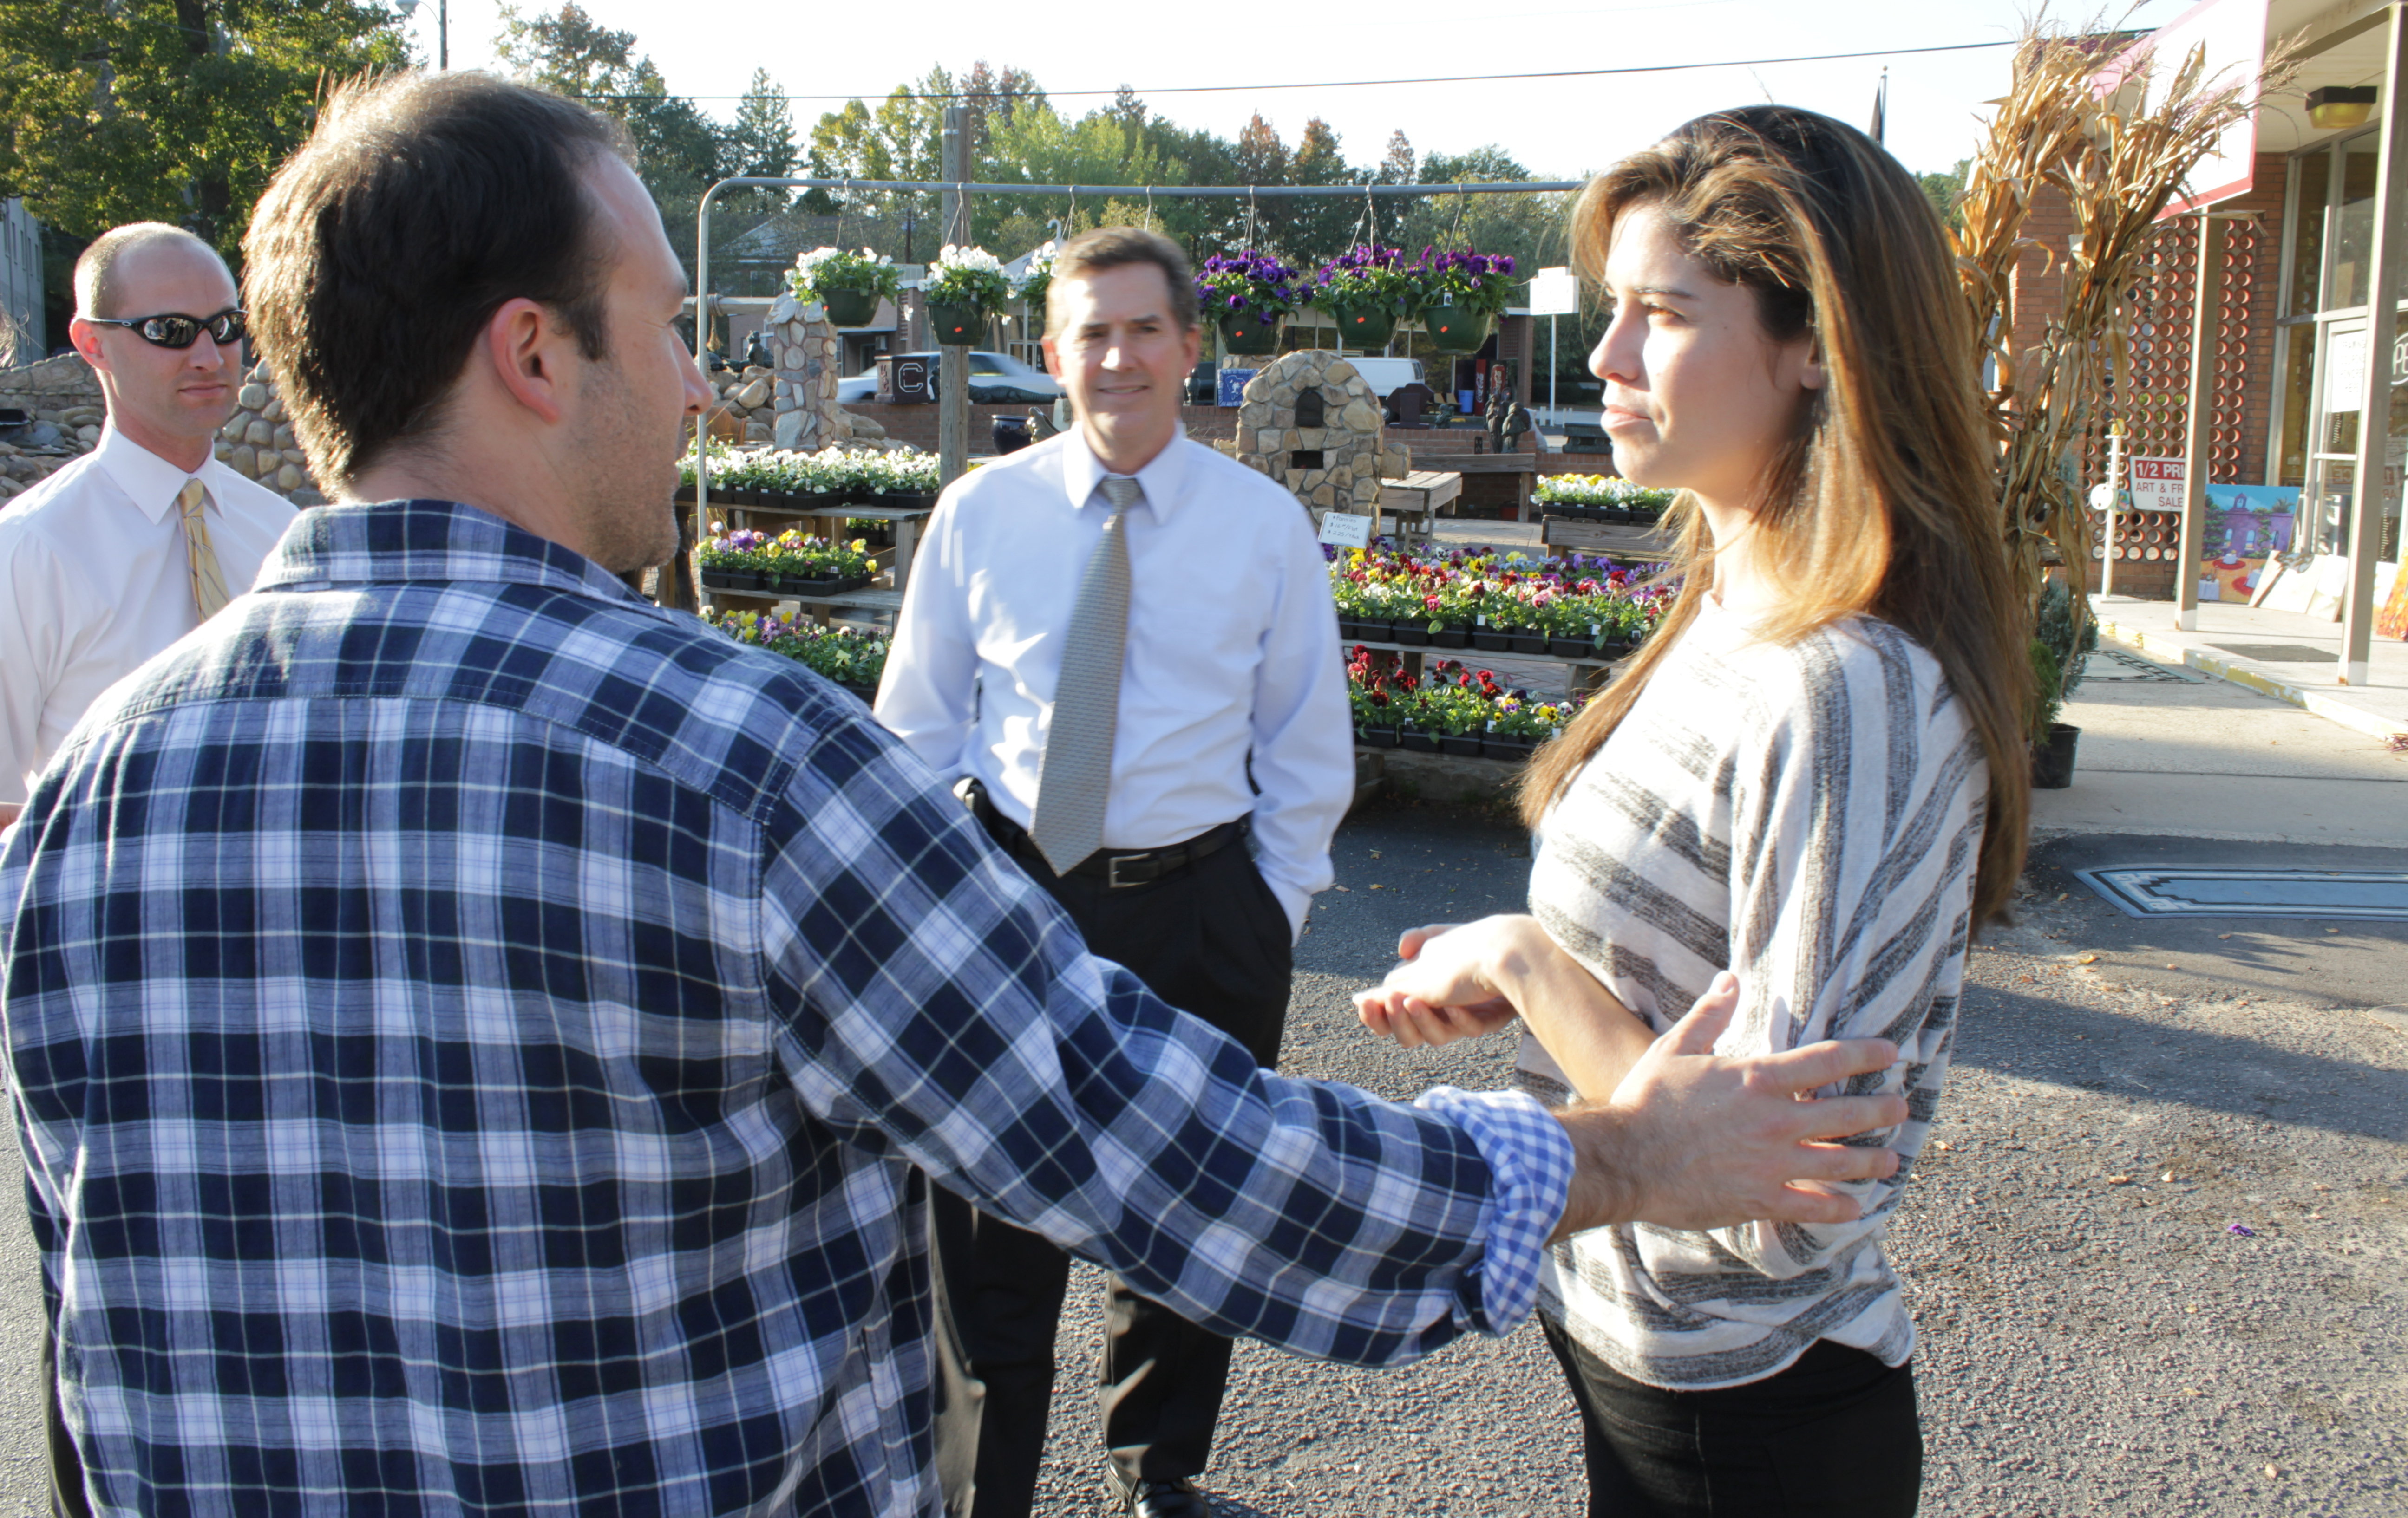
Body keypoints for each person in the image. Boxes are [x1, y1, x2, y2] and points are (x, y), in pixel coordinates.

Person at [1, 75, 1915, 1517]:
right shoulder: (733, 767)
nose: (697, 389)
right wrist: (1618, 1159)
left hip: (1188, 897)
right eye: (668, 325)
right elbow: (1177, 1161)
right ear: (530, 354)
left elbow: (92, 1360)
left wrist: (1268, 892)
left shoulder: (76, 814)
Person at [1354, 106, 2032, 1518]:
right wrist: (1528, 990)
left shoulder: (1843, 689)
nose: (1604, 362)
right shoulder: (1728, 611)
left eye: (1663, 314)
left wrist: (1529, 965)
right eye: (1616, 312)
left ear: (1813, 350)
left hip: (1755, 1429)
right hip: (1641, 1367)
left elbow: (1788, 1192)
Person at [874, 226, 1342, 1518]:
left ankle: (1163, 1477)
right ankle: (987, 1494)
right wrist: (934, 920)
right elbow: (914, 734)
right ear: (1049, 353)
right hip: (1015, 905)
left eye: (1145, 329)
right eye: (1091, 330)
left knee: (1190, 1218)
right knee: (988, 1234)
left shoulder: (1263, 528)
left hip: (1202, 911)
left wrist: (1267, 911)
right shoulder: (982, 514)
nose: (1118, 355)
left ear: (1193, 350)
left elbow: (1306, 744)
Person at [0, 224, 296, 832]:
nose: (210, 357)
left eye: (226, 327)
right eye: (170, 332)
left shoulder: (284, 535)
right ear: (91, 344)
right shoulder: (32, 549)